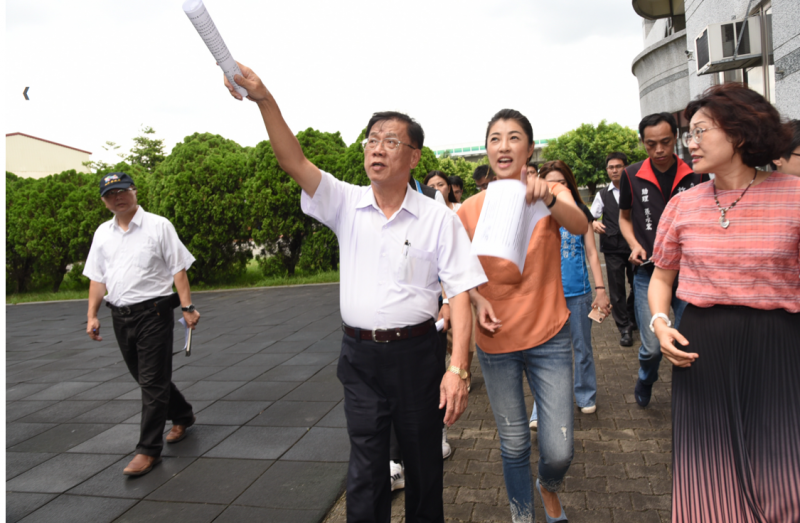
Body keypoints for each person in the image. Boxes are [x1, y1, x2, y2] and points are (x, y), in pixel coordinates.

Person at [224, 63, 487, 523]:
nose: (377, 149)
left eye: (390, 141)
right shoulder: (346, 203)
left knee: (424, 465)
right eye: (371, 140)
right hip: (360, 359)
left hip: (417, 357)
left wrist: (458, 368)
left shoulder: (437, 219)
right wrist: (264, 97)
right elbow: (293, 161)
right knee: (366, 470)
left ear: (414, 157)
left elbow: (461, 293)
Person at [649, 83, 800, 523]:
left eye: (699, 132)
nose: (689, 144)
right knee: (708, 479)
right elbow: (661, 277)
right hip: (701, 349)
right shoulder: (682, 206)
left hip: (779, 346)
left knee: (784, 473)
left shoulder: (793, 195)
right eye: (687, 135)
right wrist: (660, 323)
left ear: (738, 132)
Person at [457, 109, 589, 523]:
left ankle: (547, 486)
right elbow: (457, 277)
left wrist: (548, 197)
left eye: (514, 138)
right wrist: (478, 301)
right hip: (495, 344)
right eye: (495, 138)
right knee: (514, 443)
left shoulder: (548, 193)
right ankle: (522, 516)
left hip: (549, 337)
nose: (504, 146)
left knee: (559, 449)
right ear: (487, 149)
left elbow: (581, 225)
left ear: (529, 149)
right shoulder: (468, 210)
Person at [83, 172, 200, 477]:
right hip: (120, 315)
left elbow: (179, 270)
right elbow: (97, 278)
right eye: (110, 195)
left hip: (155, 313)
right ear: (103, 201)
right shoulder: (102, 234)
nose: (117, 198)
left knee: (151, 381)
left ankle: (148, 450)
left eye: (122, 191)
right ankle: (183, 414)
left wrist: (187, 307)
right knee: (147, 378)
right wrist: (92, 314)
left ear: (134, 191)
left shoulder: (159, 226)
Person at [619, 112, 706, 408]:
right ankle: (646, 377)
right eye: (651, 144)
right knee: (653, 347)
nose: (658, 150)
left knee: (684, 341)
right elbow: (625, 217)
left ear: (676, 138)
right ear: (643, 143)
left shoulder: (698, 172)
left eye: (665, 142)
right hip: (649, 273)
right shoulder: (631, 175)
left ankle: (688, 397)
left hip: (690, 275)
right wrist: (633, 244)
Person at [529, 160, 612, 429]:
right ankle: (539, 408)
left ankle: (585, 393)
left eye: (562, 182)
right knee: (544, 353)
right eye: (552, 182)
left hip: (578, 293)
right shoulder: (535, 213)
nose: (557, 187)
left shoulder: (580, 212)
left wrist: (600, 291)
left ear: (570, 184)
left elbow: (591, 253)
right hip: (545, 295)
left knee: (582, 348)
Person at [591, 152, 636, 347]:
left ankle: (632, 316)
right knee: (617, 289)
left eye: (619, 166)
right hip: (612, 247)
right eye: (611, 167)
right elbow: (590, 216)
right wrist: (593, 223)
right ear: (607, 171)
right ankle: (624, 327)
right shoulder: (602, 194)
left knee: (638, 285)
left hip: (636, 247)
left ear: (626, 167)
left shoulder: (637, 189)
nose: (615, 170)